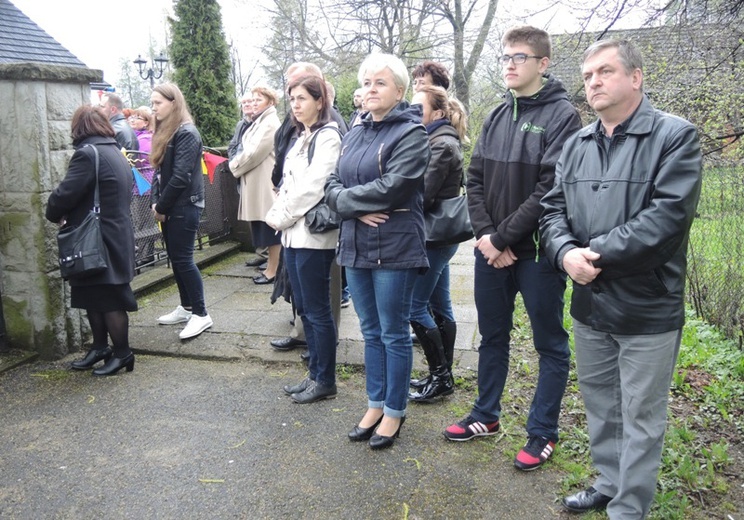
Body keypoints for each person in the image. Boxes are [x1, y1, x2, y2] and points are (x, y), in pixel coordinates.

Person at [540, 39, 702, 518]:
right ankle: (609, 482)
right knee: (602, 405)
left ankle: (629, 507)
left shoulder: (675, 136)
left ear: (636, 77)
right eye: (588, 75)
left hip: (647, 305)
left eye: (605, 71)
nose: (594, 82)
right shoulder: (576, 144)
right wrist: (564, 252)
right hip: (590, 303)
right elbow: (552, 210)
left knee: (642, 415)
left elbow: (666, 220)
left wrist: (593, 253)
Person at [443, 26, 582, 473]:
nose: (509, 63)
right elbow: (475, 177)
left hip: (537, 254)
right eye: (505, 56)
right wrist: (486, 237)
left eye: (519, 56)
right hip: (491, 253)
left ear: (542, 63)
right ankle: (487, 415)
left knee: (550, 344)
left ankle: (543, 432)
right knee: (493, 337)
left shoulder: (563, 116)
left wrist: (502, 239)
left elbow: (550, 189)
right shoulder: (498, 114)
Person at [325, 53, 430, 450]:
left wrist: (348, 202)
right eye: (366, 82)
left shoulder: (411, 134)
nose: (370, 89)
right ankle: (374, 403)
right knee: (370, 331)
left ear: (400, 91)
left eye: (380, 83)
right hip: (355, 243)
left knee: (392, 332)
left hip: (396, 244)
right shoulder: (354, 131)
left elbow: (396, 187)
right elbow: (331, 185)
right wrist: (356, 206)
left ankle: (394, 411)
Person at [265, 75, 342, 403]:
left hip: (312, 236)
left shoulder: (328, 137)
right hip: (293, 236)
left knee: (317, 309)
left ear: (320, 101)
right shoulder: (302, 136)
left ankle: (325, 379)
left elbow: (313, 187)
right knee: (305, 309)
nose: (295, 105)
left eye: (302, 99)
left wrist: (278, 218)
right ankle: (313, 374)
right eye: (292, 99)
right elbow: (286, 183)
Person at [45, 105, 137, 376]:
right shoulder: (115, 152)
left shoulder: (87, 155)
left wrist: (53, 210)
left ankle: (122, 353)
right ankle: (100, 348)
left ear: (78, 128)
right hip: (113, 234)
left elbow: (65, 194)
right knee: (91, 295)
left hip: (98, 239)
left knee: (109, 299)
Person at [407, 85, 468, 403]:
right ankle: (441, 376)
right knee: (440, 305)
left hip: (433, 237)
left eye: (419, 108)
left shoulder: (441, 144)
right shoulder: (437, 139)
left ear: (438, 113)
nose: (413, 113)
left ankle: (441, 376)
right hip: (438, 237)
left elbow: (424, 195)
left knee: (415, 307)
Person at [150, 83, 213, 340]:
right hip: (171, 207)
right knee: (177, 260)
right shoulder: (169, 131)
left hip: (185, 206)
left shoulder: (187, 133)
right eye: (152, 103)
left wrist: (161, 207)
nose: (153, 108)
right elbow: (159, 175)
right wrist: (157, 203)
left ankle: (201, 314)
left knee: (184, 260)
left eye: (158, 103)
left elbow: (180, 177)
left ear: (173, 102)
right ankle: (187, 308)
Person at [230, 86, 282, 285]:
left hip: (265, 182)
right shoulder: (260, 121)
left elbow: (253, 153)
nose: (254, 103)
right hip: (258, 181)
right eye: (253, 99)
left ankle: (273, 270)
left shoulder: (270, 122)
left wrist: (233, 165)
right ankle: (271, 266)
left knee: (270, 227)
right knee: (263, 226)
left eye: (259, 99)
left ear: (270, 102)